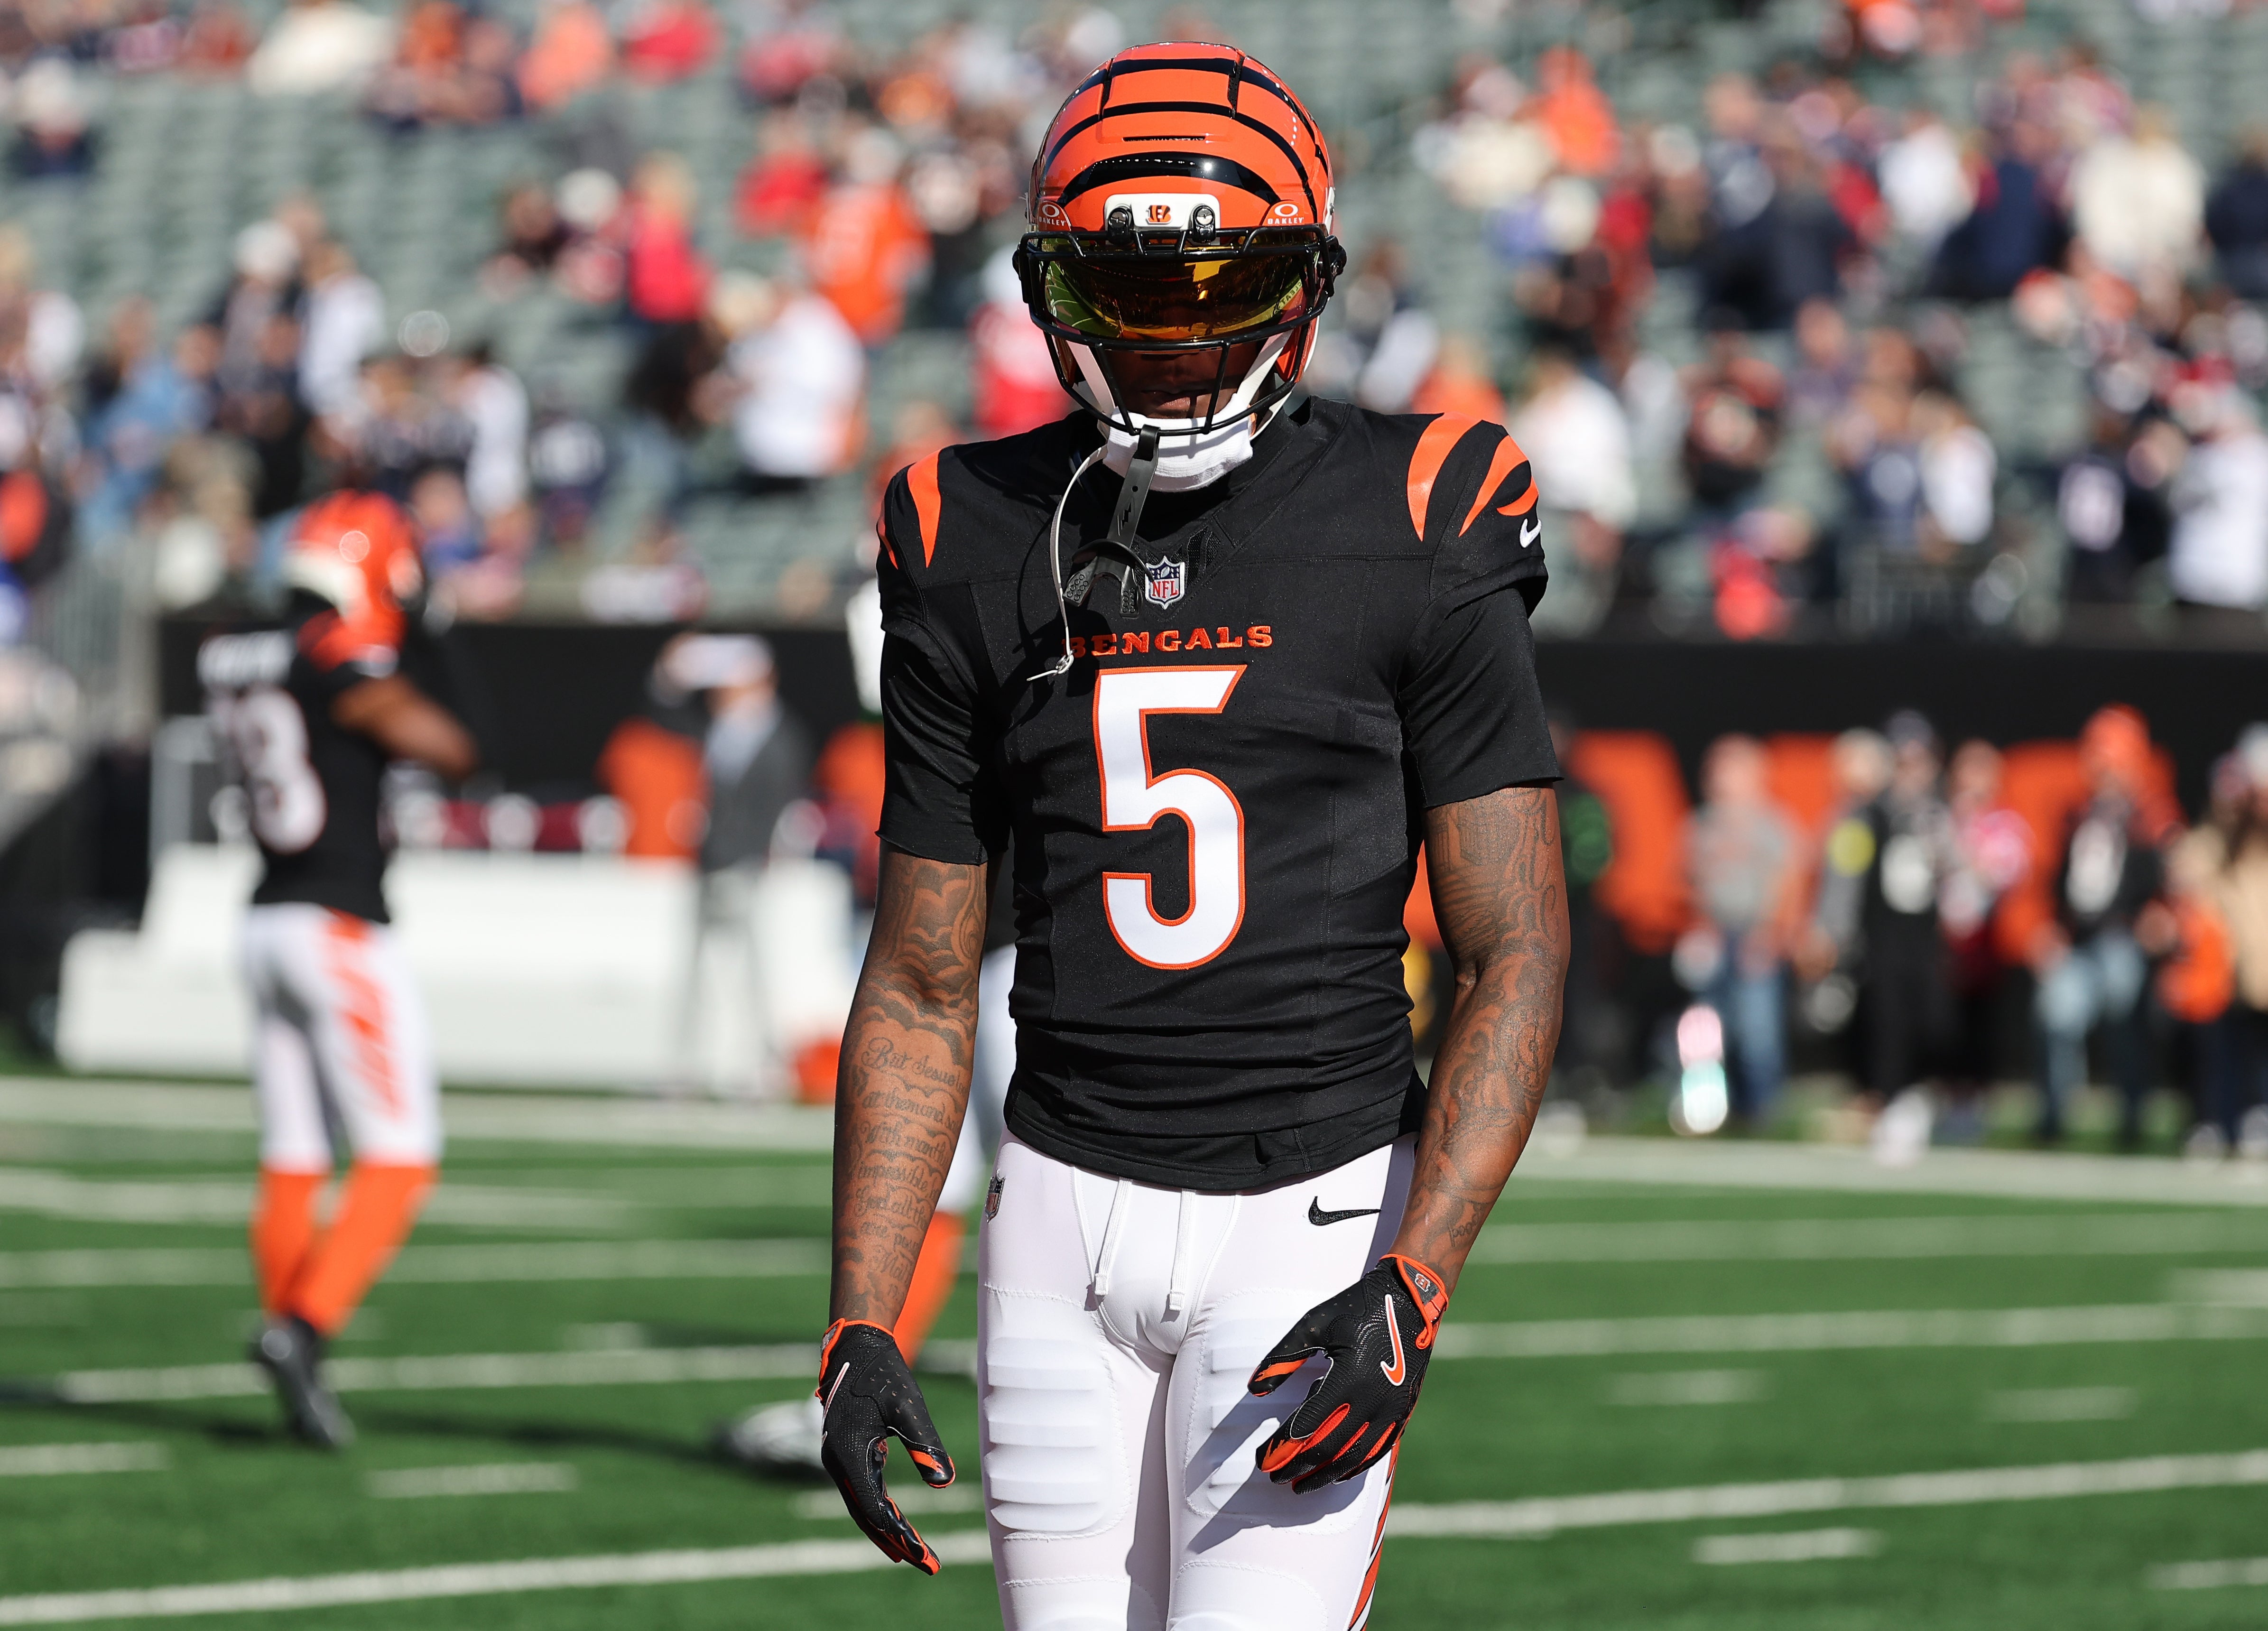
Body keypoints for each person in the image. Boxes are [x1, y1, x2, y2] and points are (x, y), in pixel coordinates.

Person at [809, 44, 1567, 1631]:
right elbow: (922, 981)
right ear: (1051, 291)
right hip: (1059, 1217)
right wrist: (862, 1315)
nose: (1173, 344)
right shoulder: (960, 533)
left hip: (1312, 1211)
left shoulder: (1427, 505)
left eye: (1218, 290)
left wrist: (1415, 1279)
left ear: (1301, 286)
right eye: (1127, 295)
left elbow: (1514, 947)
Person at [197, 485, 478, 1447]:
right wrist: (431, 637)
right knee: (400, 1156)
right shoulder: (336, 653)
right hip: (338, 924)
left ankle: (292, 1348)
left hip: (264, 916)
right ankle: (303, 1327)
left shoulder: (238, 645)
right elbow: (448, 747)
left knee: (292, 1158)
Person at [2020, 705, 2177, 1146]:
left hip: (2122, 937)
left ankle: (2132, 1117)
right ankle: (2053, 1115)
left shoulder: (2152, 816)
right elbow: (2060, 882)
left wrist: (2160, 915)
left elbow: (2171, 878)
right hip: (2078, 938)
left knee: (2124, 1023)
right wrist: (2051, 929)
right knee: (2055, 1016)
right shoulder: (2077, 813)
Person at [1685, 734, 1801, 1127]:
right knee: (1711, 1027)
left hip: (1755, 936)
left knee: (1757, 1028)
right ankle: (1714, 1108)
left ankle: (1761, 1108)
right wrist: (1701, 927)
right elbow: (1689, 882)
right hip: (1716, 936)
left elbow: (1788, 883)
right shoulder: (1702, 824)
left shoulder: (1773, 825)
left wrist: (1770, 933)